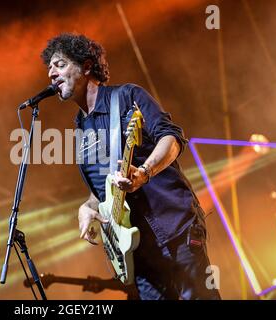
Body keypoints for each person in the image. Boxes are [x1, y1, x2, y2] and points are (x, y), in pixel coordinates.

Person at [40, 33, 221, 300]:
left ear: (87, 66)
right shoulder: (81, 128)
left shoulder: (127, 96)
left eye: (59, 64)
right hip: (137, 252)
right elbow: (104, 188)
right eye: (49, 68)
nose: (51, 74)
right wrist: (88, 207)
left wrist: (144, 172)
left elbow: (171, 138)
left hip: (174, 228)